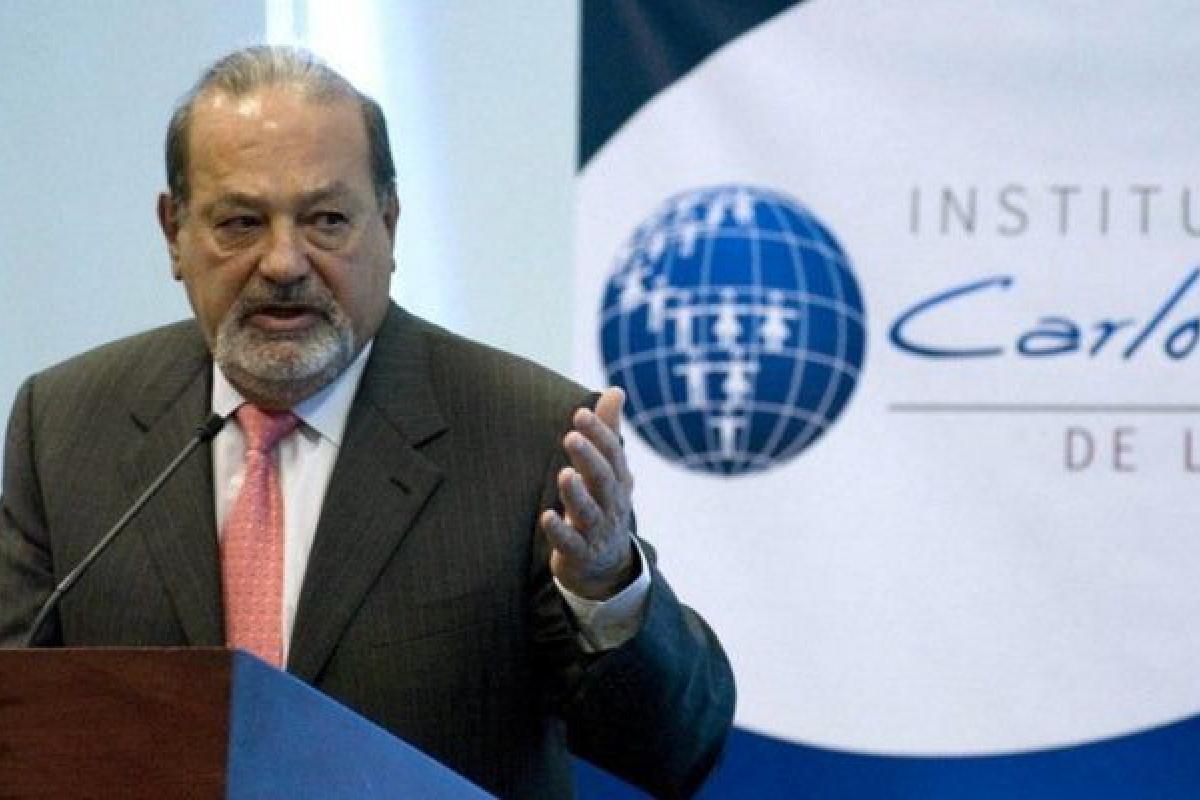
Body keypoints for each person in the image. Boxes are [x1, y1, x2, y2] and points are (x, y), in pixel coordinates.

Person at [0, 46, 734, 798]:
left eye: (326, 220)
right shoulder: (63, 427)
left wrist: (606, 587)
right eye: (241, 222)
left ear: (387, 223)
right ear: (174, 231)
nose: (284, 262)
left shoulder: (529, 435)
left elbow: (676, 749)